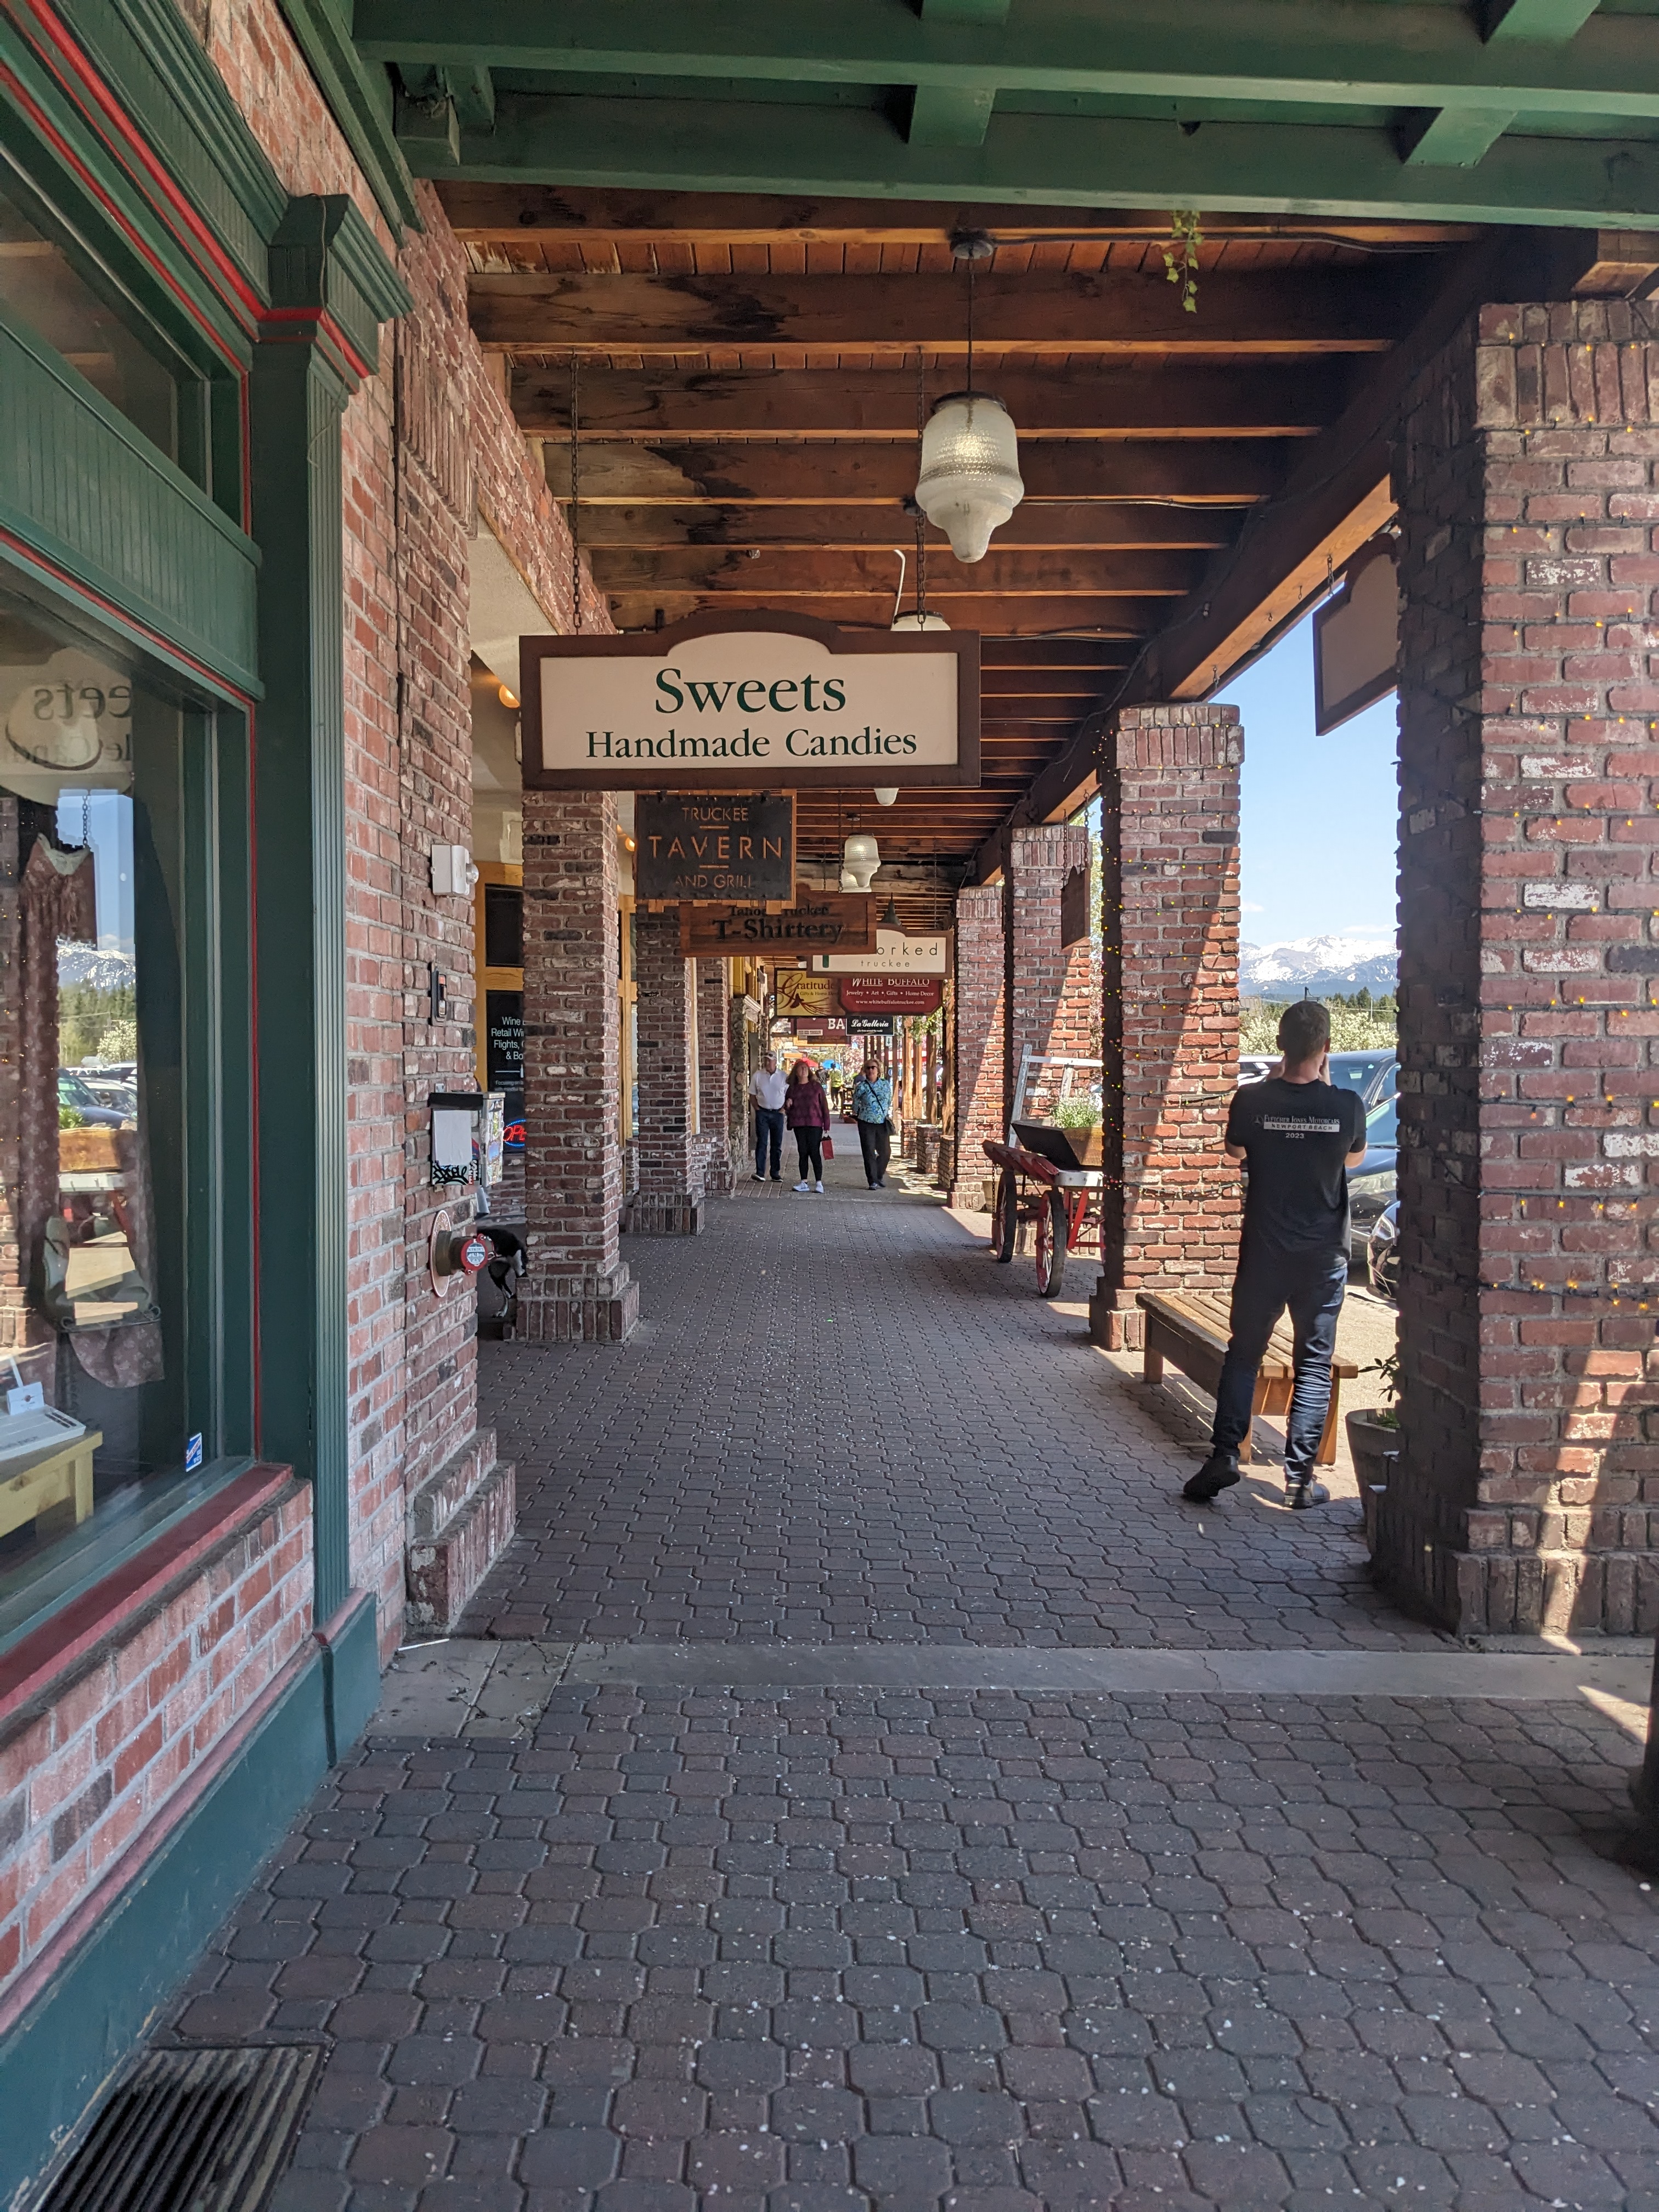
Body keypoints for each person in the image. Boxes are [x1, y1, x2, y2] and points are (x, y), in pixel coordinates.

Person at [1183, 998, 1368, 1511]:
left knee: (1244, 1354)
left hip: (1264, 1250)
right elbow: (1353, 1158)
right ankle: (1300, 1480)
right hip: (1324, 1257)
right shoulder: (1347, 1105)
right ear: (1326, 1047)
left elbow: (1236, 1152)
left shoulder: (1251, 1100)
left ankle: (1225, 1455)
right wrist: (1324, 1098)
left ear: (1279, 1045)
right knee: (1313, 1363)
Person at [785, 1059, 830, 1193]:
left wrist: (827, 1123)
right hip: (799, 1124)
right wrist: (788, 1105)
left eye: (806, 1068)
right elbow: (787, 1108)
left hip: (815, 1123)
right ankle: (804, 1182)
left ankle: (819, 1183)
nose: (804, 1070)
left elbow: (824, 1106)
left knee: (814, 1152)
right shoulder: (793, 1089)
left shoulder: (816, 1087)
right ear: (796, 1072)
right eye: (801, 1068)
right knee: (803, 1152)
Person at [851, 1058, 893, 1188]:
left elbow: (889, 1100)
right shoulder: (862, 1086)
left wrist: (884, 1112)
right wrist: (858, 1113)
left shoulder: (885, 1084)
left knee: (885, 1152)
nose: (871, 1070)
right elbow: (855, 1102)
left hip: (882, 1122)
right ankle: (872, 1181)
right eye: (868, 1068)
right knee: (869, 1151)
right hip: (866, 1122)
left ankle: (879, 1175)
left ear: (878, 1070)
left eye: (873, 1067)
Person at [749, 1052, 787, 1182]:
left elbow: (789, 1095)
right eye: (766, 1060)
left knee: (777, 1144)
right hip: (763, 1113)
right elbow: (752, 1094)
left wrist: (783, 1109)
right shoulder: (758, 1075)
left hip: (778, 1114)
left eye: (770, 1060)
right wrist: (757, 1109)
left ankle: (775, 1173)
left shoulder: (783, 1076)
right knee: (762, 1142)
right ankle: (760, 1172)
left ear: (775, 1061)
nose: (767, 1063)